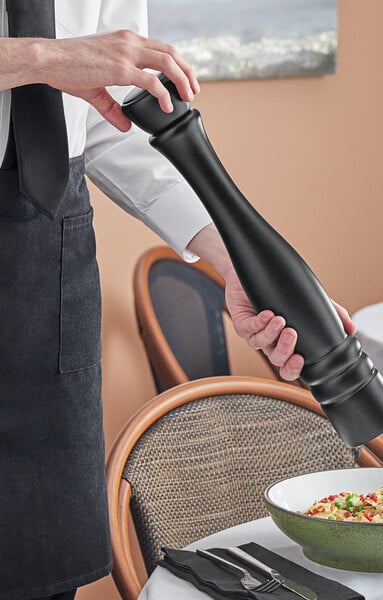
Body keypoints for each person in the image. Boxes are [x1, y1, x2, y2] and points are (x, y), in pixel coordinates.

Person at [0, 1, 355, 599]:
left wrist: (237, 261)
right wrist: (42, 56)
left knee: (40, 571)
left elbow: (110, 129)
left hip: (48, 261)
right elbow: (69, 66)